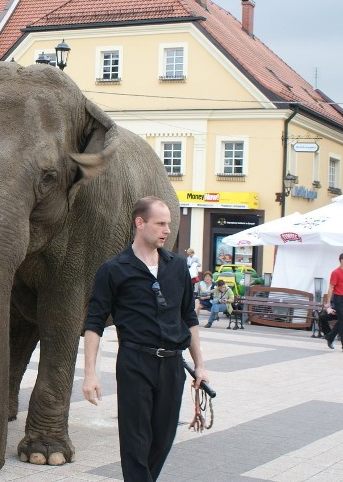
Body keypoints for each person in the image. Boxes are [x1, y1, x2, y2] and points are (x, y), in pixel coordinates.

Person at [83, 196, 208, 481]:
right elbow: (94, 324)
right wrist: (90, 374)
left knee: (163, 438)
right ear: (140, 223)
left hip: (172, 365)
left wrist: (199, 364)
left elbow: (189, 317)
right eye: (160, 223)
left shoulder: (177, 266)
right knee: (135, 440)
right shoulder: (114, 269)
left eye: (169, 224)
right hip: (135, 362)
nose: (166, 230)